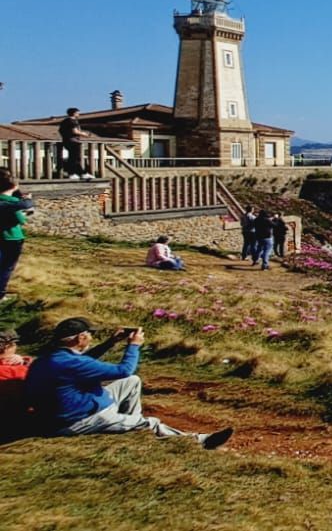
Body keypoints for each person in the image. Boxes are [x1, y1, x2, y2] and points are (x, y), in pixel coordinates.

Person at [23, 317, 232, 448]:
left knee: (132, 382)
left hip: (63, 413)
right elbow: (123, 370)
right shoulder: (72, 364)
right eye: (90, 334)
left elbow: (83, 362)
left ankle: (131, 424)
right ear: (80, 338)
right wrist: (134, 346)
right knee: (151, 421)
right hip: (78, 420)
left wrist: (111, 342)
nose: (92, 337)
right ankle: (199, 441)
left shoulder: (48, 359)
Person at [0, 171, 34, 304]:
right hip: (12, 238)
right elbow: (21, 220)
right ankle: (1, 294)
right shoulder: (14, 202)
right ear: (14, 186)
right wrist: (26, 212)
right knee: (6, 267)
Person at [57, 107, 93, 180]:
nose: (79, 114)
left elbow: (60, 130)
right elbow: (75, 131)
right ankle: (74, 173)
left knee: (74, 158)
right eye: (77, 113)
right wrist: (85, 134)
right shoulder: (72, 121)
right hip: (73, 141)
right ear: (74, 113)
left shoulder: (65, 121)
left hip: (67, 141)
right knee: (74, 158)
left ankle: (80, 173)